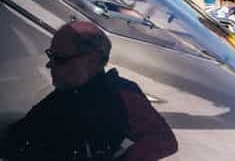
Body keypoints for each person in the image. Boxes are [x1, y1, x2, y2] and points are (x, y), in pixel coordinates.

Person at [2, 21, 177, 160]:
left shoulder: (119, 94)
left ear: (91, 60)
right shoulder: (67, 91)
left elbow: (163, 140)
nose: (49, 65)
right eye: (51, 55)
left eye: (59, 58)